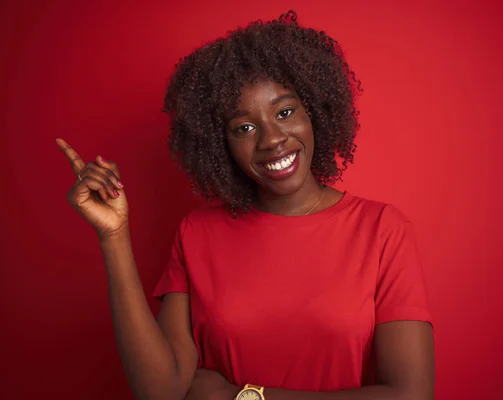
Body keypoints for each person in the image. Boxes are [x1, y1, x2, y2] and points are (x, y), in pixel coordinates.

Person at [56, 10, 434, 400]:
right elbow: (161, 391)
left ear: (315, 113)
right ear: (221, 143)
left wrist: (242, 396)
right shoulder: (197, 233)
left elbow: (411, 394)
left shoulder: (381, 229)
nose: (272, 139)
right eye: (245, 127)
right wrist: (113, 236)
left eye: (284, 113)